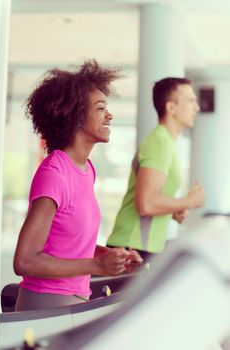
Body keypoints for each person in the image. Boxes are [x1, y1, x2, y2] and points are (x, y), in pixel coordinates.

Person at [13, 60, 142, 311]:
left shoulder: (86, 170)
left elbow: (68, 243)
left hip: (73, 303)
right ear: (75, 115)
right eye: (101, 108)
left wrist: (109, 257)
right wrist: (96, 267)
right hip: (44, 306)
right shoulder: (54, 173)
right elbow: (25, 261)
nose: (110, 114)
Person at [107, 77, 205, 259]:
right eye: (190, 101)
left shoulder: (166, 142)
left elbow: (151, 201)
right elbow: (146, 203)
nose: (197, 108)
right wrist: (191, 201)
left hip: (139, 246)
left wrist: (173, 210)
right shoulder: (159, 142)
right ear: (171, 108)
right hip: (131, 247)